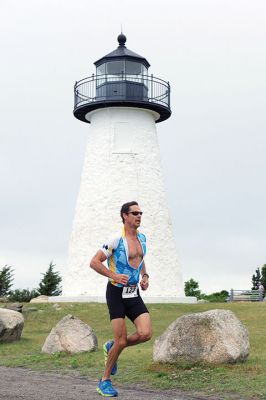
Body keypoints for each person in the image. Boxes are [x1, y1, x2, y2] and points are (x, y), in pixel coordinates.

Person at [90, 201, 152, 397]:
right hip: (116, 293)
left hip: (134, 293)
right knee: (122, 340)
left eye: (140, 213)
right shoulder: (116, 239)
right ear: (125, 215)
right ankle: (104, 380)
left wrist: (145, 276)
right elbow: (94, 262)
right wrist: (113, 275)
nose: (139, 216)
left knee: (145, 334)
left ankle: (112, 347)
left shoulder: (142, 238)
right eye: (134, 213)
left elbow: (140, 259)